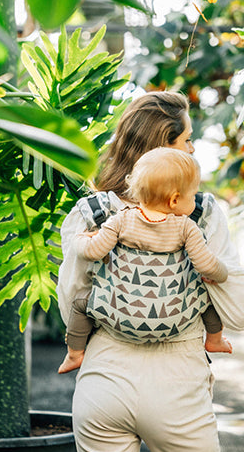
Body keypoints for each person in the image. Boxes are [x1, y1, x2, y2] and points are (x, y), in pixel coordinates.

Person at [57, 90, 244, 452]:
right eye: (186, 140)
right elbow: (238, 306)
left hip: (102, 384)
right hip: (177, 385)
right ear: (165, 149)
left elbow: (72, 302)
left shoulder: (90, 213)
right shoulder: (198, 214)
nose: (194, 147)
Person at [58, 148, 231, 374]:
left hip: (119, 316)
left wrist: (80, 239)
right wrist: (221, 274)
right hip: (175, 320)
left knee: (81, 305)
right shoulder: (186, 227)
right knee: (209, 298)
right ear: (175, 199)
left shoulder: (121, 220)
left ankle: (74, 354)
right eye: (193, 194)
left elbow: (92, 251)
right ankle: (215, 340)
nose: (195, 199)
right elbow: (206, 265)